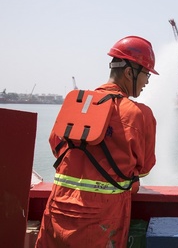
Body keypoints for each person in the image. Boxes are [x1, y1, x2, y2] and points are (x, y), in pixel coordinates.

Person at [36, 36, 159, 247]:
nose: (147, 81)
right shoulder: (139, 115)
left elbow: (55, 146)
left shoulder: (75, 103)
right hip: (102, 222)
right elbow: (144, 168)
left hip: (57, 214)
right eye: (146, 74)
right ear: (130, 72)